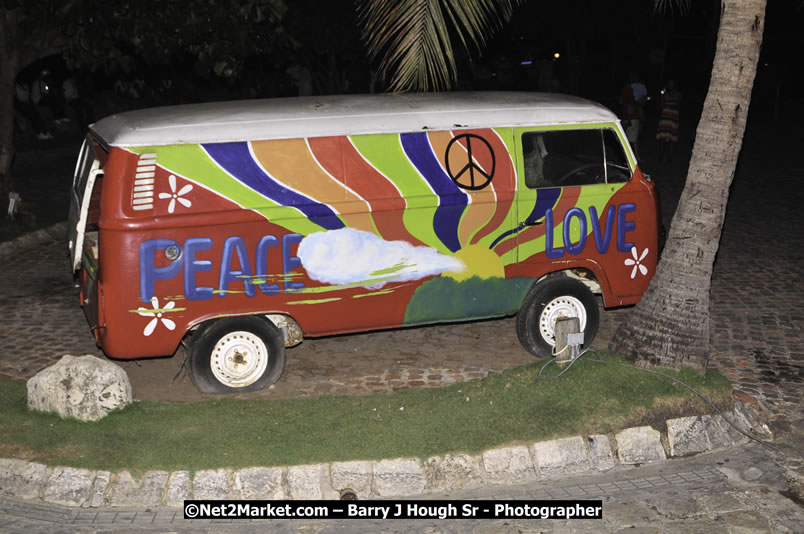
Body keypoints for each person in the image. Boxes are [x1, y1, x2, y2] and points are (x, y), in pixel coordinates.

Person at [655, 80, 681, 161]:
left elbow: (679, 105)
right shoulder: (665, 93)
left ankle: (670, 156)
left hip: (673, 116)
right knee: (662, 136)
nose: (670, 85)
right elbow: (662, 104)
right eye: (669, 83)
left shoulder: (678, 93)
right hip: (665, 115)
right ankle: (661, 155)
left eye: (672, 83)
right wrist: (662, 94)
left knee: (672, 137)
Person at [619, 73, 642, 156]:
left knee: (632, 139)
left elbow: (631, 105)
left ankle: (635, 156)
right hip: (629, 117)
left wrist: (628, 119)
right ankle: (632, 156)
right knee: (629, 139)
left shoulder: (630, 90)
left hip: (632, 117)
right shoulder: (628, 90)